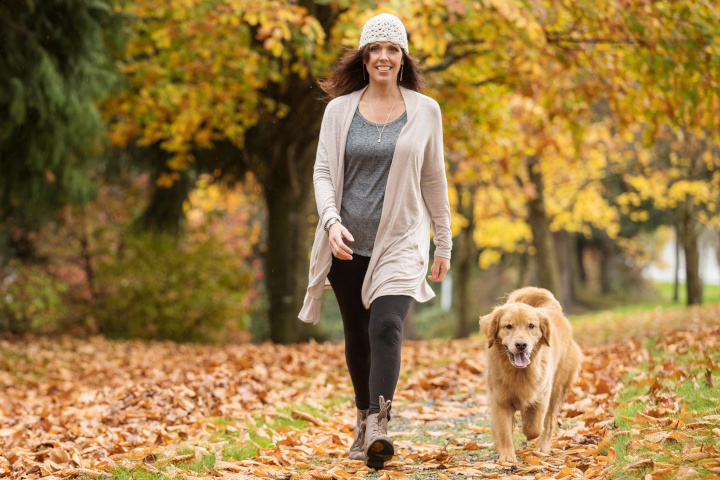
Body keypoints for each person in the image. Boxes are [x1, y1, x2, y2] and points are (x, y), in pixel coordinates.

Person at [298, 13, 452, 470]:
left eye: (393, 49)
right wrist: (330, 222)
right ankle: (363, 419)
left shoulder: (426, 110)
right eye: (375, 49)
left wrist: (442, 242)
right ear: (364, 58)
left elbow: (434, 178)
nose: (384, 56)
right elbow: (323, 172)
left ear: (403, 58)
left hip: (402, 239)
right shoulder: (338, 110)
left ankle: (380, 427)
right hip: (346, 240)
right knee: (357, 335)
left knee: (386, 326)